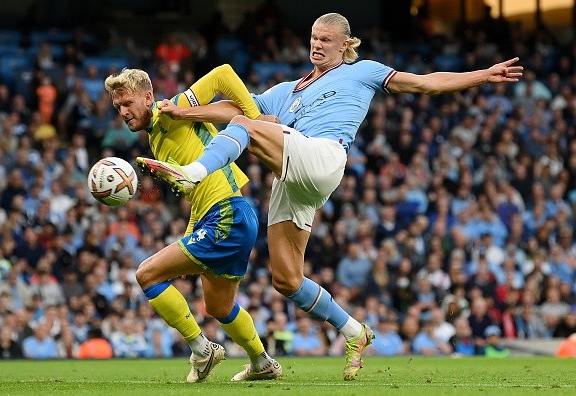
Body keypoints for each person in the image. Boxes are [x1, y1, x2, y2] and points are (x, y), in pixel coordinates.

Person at [144, 12, 522, 380]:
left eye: (325, 39)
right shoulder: (286, 92)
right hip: (291, 177)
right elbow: (235, 108)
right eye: (313, 38)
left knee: (245, 124)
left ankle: (193, 172)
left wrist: (483, 76)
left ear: (346, 44)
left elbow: (426, 82)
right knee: (287, 280)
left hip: (323, 155)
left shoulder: (363, 71)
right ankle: (355, 331)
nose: (317, 45)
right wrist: (184, 112)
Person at [104, 64, 281, 382]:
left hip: (227, 214)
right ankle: (262, 362)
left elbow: (224, 74)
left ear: (148, 97)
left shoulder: (173, 110)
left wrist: (255, 121)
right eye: (118, 107)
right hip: (233, 215)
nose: (123, 111)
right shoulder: (156, 139)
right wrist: (190, 233)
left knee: (147, 274)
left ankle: (202, 349)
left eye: (127, 103)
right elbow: (197, 200)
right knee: (218, 306)